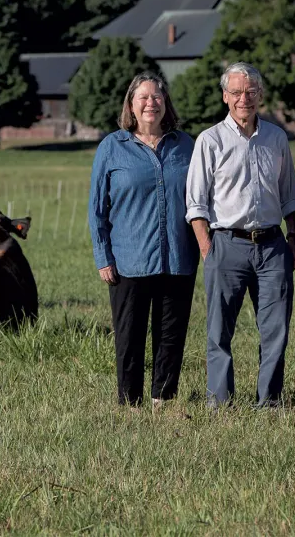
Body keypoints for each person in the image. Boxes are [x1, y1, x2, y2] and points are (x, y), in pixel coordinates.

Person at [186, 62, 295, 409]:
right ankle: (220, 401)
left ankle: (269, 401)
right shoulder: (210, 140)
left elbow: (290, 195)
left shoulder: (276, 138)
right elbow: (195, 203)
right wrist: (207, 246)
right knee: (219, 330)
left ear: (260, 95)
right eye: (236, 92)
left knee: (275, 330)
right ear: (225, 96)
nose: (244, 98)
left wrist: (293, 239)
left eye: (250, 91)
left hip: (272, 246)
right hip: (226, 244)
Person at [88, 73, 197, 409]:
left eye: (157, 96)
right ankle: (130, 402)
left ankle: (162, 399)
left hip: (178, 256)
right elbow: (97, 208)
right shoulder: (112, 146)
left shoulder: (186, 145)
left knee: (171, 334)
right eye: (143, 98)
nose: (151, 103)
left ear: (166, 103)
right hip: (128, 259)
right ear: (131, 105)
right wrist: (103, 256)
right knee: (129, 334)